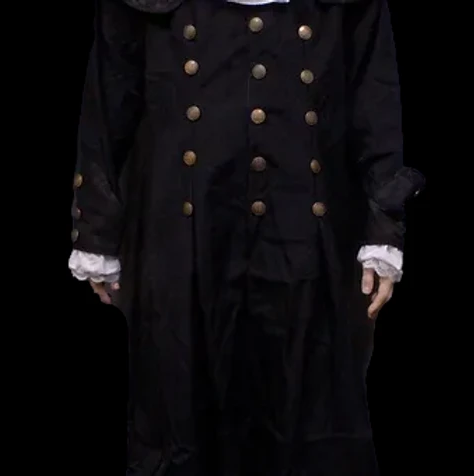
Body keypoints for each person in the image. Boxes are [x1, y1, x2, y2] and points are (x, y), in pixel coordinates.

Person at [69, 0, 424, 474]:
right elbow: (109, 94)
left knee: (308, 405)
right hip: (183, 229)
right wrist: (95, 227)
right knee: (184, 407)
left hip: (307, 226)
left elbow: (372, 93)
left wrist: (384, 224)